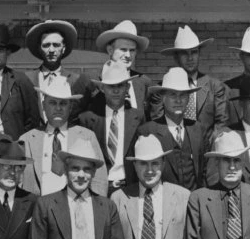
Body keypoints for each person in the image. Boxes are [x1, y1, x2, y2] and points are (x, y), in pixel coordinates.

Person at [18, 77, 108, 196]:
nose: (58, 108)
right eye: (52, 103)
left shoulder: (86, 136)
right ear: (43, 106)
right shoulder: (27, 139)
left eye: (63, 103)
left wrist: (95, 210)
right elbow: (19, 181)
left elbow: (99, 179)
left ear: (70, 108)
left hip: (76, 208)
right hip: (38, 208)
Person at [137, 68, 209, 191]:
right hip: (162, 203)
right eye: (172, 95)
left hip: (193, 202)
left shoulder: (198, 129)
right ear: (163, 98)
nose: (178, 100)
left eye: (183, 95)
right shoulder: (147, 131)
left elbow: (205, 170)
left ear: (188, 98)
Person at [77, 60, 143, 194]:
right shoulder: (88, 119)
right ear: (102, 88)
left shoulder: (138, 117)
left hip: (129, 186)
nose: (116, 90)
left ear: (127, 87)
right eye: (111, 86)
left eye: (120, 85)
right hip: (98, 187)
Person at [151, 25, 229, 130]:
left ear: (199, 54)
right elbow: (158, 125)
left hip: (208, 145)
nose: (190, 58)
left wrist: (207, 145)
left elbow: (222, 123)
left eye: (194, 52)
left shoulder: (214, 86)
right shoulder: (162, 89)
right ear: (176, 57)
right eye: (184, 53)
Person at [24, 19, 89, 124]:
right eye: (46, 45)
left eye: (56, 45)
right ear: (39, 48)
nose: (51, 50)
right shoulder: (26, 79)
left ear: (63, 48)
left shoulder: (77, 80)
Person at [90, 19, 152, 120]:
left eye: (132, 50)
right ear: (110, 50)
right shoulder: (92, 80)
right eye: (123, 49)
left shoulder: (144, 81)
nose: (128, 55)